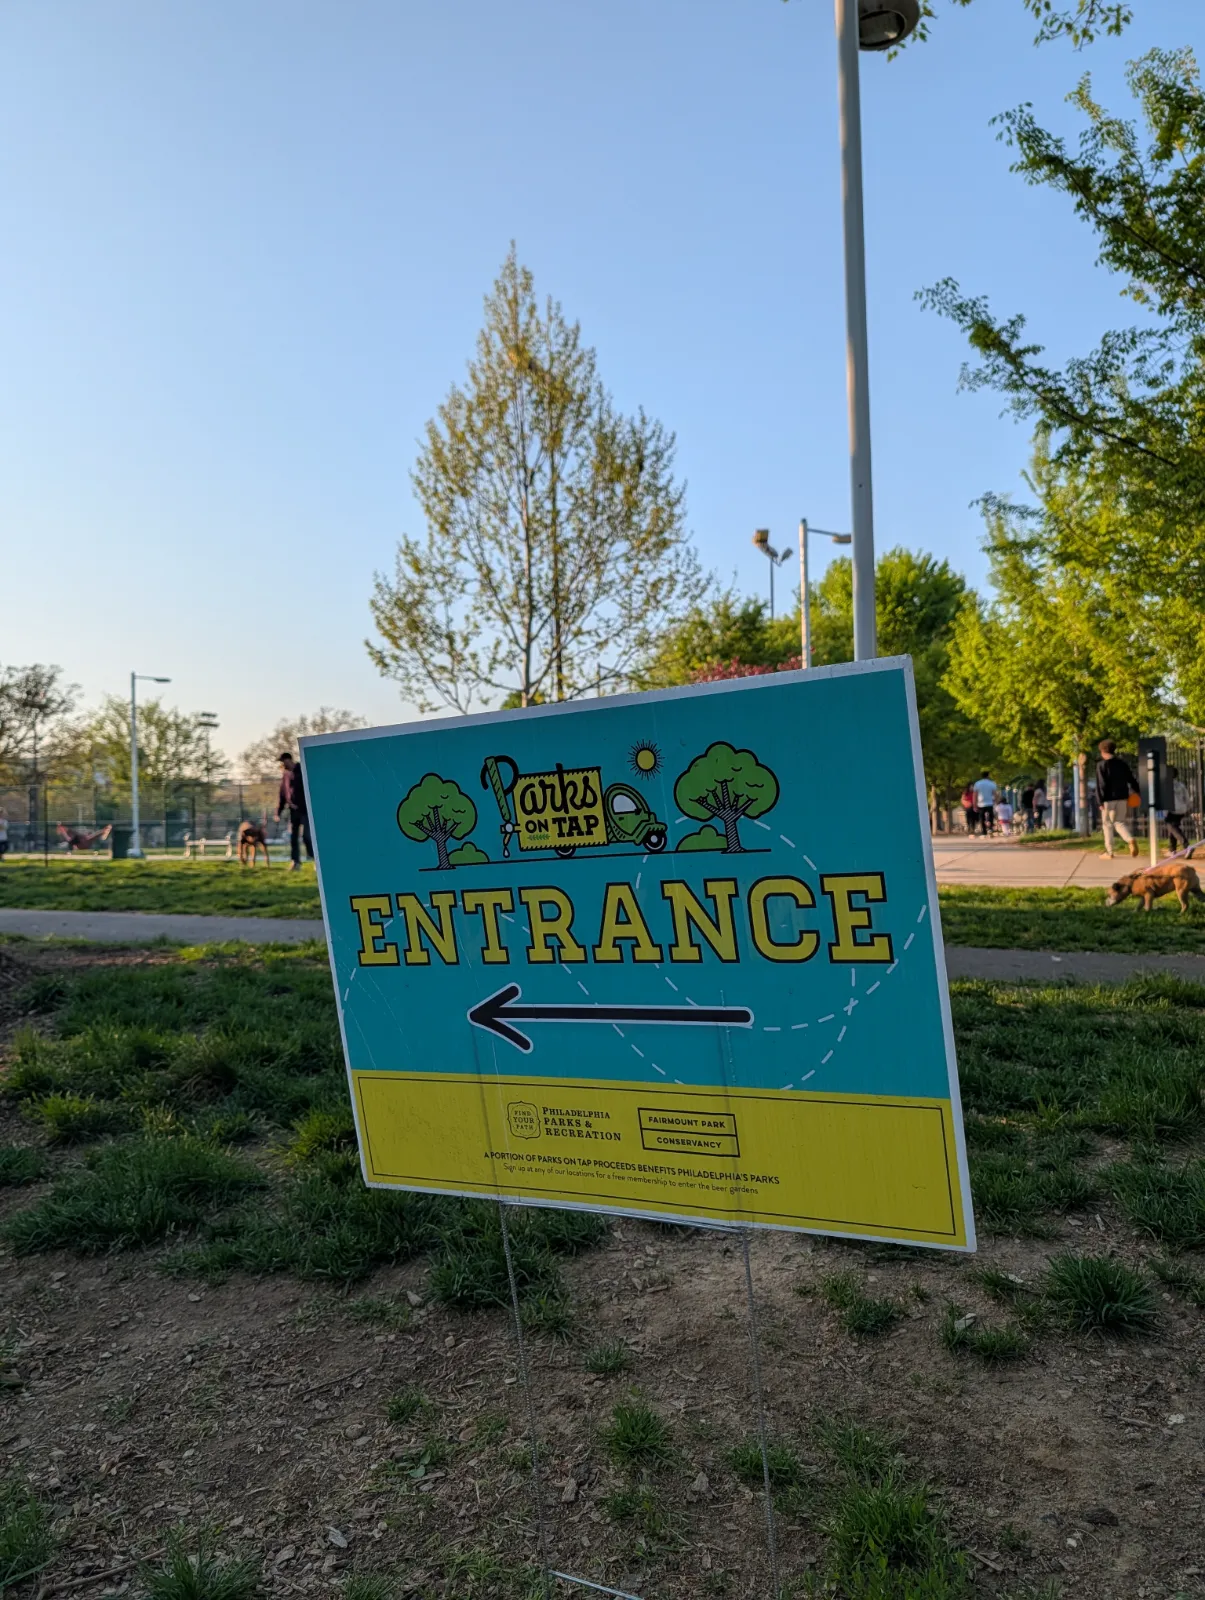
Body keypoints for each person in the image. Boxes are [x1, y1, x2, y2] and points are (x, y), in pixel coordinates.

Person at [1095, 738, 1139, 860]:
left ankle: (1109, 852)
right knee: (1119, 822)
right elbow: (1131, 779)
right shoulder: (1122, 764)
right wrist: (1137, 791)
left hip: (1108, 800)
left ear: (1102, 751)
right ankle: (1130, 839)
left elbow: (1101, 784)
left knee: (1107, 824)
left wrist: (1100, 801)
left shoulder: (1101, 765)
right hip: (1122, 797)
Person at [276, 752, 313, 871]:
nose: (282, 764)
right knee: (293, 837)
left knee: (307, 836)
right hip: (293, 810)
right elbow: (283, 794)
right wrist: (278, 812)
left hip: (306, 809)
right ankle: (295, 862)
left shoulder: (303, 770)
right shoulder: (285, 775)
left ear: (289, 760)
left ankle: (315, 859)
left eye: (283, 761)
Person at [1165, 765, 1190, 855]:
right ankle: (1172, 850)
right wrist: (1187, 807)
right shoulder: (1181, 785)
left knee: (1172, 827)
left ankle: (1186, 845)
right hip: (1182, 809)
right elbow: (1187, 798)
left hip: (1172, 810)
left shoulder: (1166, 785)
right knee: (1173, 827)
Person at [972, 770, 998, 836]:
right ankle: (990, 828)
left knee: (982, 817)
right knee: (991, 816)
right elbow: (995, 794)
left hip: (980, 803)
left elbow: (975, 795)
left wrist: (974, 804)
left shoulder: (977, 783)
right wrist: (996, 802)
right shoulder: (992, 783)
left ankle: (984, 831)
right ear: (988, 775)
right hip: (990, 802)